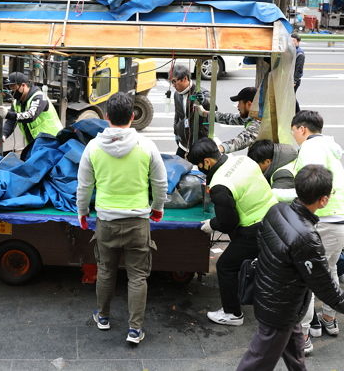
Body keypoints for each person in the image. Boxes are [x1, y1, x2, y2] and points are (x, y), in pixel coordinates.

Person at [236, 165, 344, 371]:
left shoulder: (277, 210)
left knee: (295, 352)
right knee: (257, 361)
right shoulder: (307, 237)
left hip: (274, 297)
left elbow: (262, 242)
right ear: (323, 200)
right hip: (279, 308)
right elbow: (323, 284)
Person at [77, 92, 167, 345]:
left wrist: (82, 212)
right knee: (137, 276)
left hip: (106, 220)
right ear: (132, 116)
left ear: (106, 117)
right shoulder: (147, 146)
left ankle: (103, 317)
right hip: (138, 221)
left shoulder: (93, 147)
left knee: (105, 271)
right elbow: (160, 182)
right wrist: (157, 207)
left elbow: (84, 186)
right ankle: (135, 330)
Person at [187, 138, 277, 327]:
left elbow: (228, 222)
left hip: (254, 228)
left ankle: (233, 313)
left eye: (199, 165)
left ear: (207, 162)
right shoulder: (242, 160)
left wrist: (212, 224)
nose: (200, 169)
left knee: (226, 266)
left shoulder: (220, 185)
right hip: (273, 216)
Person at [291, 110, 344, 351]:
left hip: (325, 219)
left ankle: (303, 335)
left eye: (294, 131)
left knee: (307, 276)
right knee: (330, 269)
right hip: (343, 219)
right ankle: (329, 318)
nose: (294, 136)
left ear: (302, 129)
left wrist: (276, 195)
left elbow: (309, 187)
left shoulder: (310, 148)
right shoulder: (328, 147)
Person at [0, 71, 63, 150]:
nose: (12, 91)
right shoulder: (16, 102)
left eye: (13, 88)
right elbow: (11, 121)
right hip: (36, 144)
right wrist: (3, 135)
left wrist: (8, 114)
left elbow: (30, 116)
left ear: (23, 85)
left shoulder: (39, 97)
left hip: (52, 142)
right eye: (10, 88)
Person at [193, 86, 260, 154]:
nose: (238, 106)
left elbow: (242, 140)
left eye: (239, 103)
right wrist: (205, 113)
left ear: (249, 104)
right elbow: (229, 118)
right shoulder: (252, 115)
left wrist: (219, 149)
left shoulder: (259, 121)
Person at [171, 64, 211, 158]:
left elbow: (213, 108)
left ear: (185, 79)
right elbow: (177, 115)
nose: (173, 85)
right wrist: (176, 132)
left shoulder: (200, 93)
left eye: (174, 81)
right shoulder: (177, 95)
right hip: (183, 143)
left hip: (198, 142)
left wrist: (204, 101)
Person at [292, 33, 305, 112]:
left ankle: (298, 112)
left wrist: (294, 80)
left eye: (293, 40)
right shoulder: (292, 50)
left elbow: (299, 69)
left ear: (298, 41)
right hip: (290, 78)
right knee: (291, 97)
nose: (291, 42)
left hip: (294, 80)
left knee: (291, 97)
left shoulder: (299, 53)